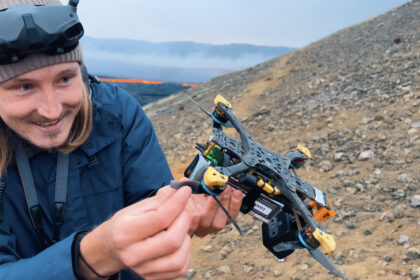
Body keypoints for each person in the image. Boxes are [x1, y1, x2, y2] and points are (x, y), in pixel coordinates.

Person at [0, 1, 243, 279]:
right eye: (25, 86)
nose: (52, 110)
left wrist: (179, 214)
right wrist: (88, 257)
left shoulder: (117, 113)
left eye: (65, 78)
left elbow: (151, 198)